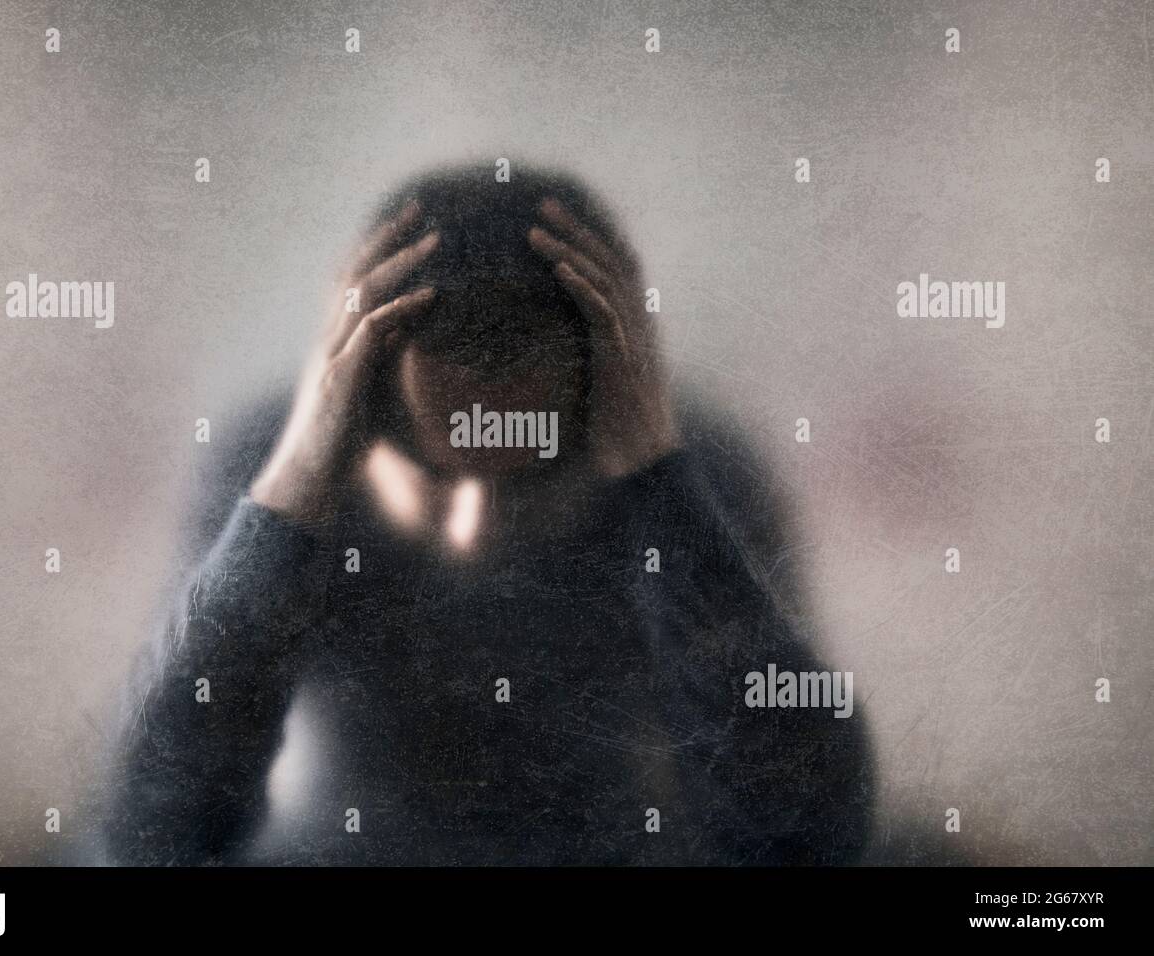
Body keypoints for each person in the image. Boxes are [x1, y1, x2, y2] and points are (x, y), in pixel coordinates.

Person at [104, 165, 873, 865]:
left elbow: (808, 833)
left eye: (520, 485)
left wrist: (661, 485)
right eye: (437, 481)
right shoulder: (275, 465)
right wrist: (293, 490)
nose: (473, 532)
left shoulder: (694, 470)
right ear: (358, 419)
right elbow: (156, 831)